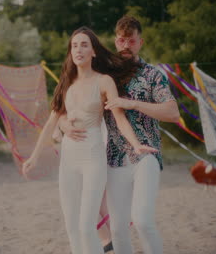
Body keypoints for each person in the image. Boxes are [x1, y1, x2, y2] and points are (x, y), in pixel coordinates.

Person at [22, 26, 157, 254]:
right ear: (70, 52)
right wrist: (34, 157)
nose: (79, 49)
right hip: (68, 159)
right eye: (74, 45)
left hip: (93, 159)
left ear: (94, 51)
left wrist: (135, 144)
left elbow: (120, 119)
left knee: (86, 227)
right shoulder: (66, 83)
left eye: (84, 44)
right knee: (71, 226)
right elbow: (51, 122)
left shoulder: (104, 81)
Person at [59, 15, 180, 254]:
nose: (126, 46)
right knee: (117, 230)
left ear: (140, 42)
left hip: (146, 152)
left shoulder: (153, 75)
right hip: (113, 159)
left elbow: (173, 112)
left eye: (131, 41)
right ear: (116, 41)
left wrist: (132, 103)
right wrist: (64, 124)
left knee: (143, 221)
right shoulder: (106, 75)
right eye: (122, 41)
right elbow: (66, 105)